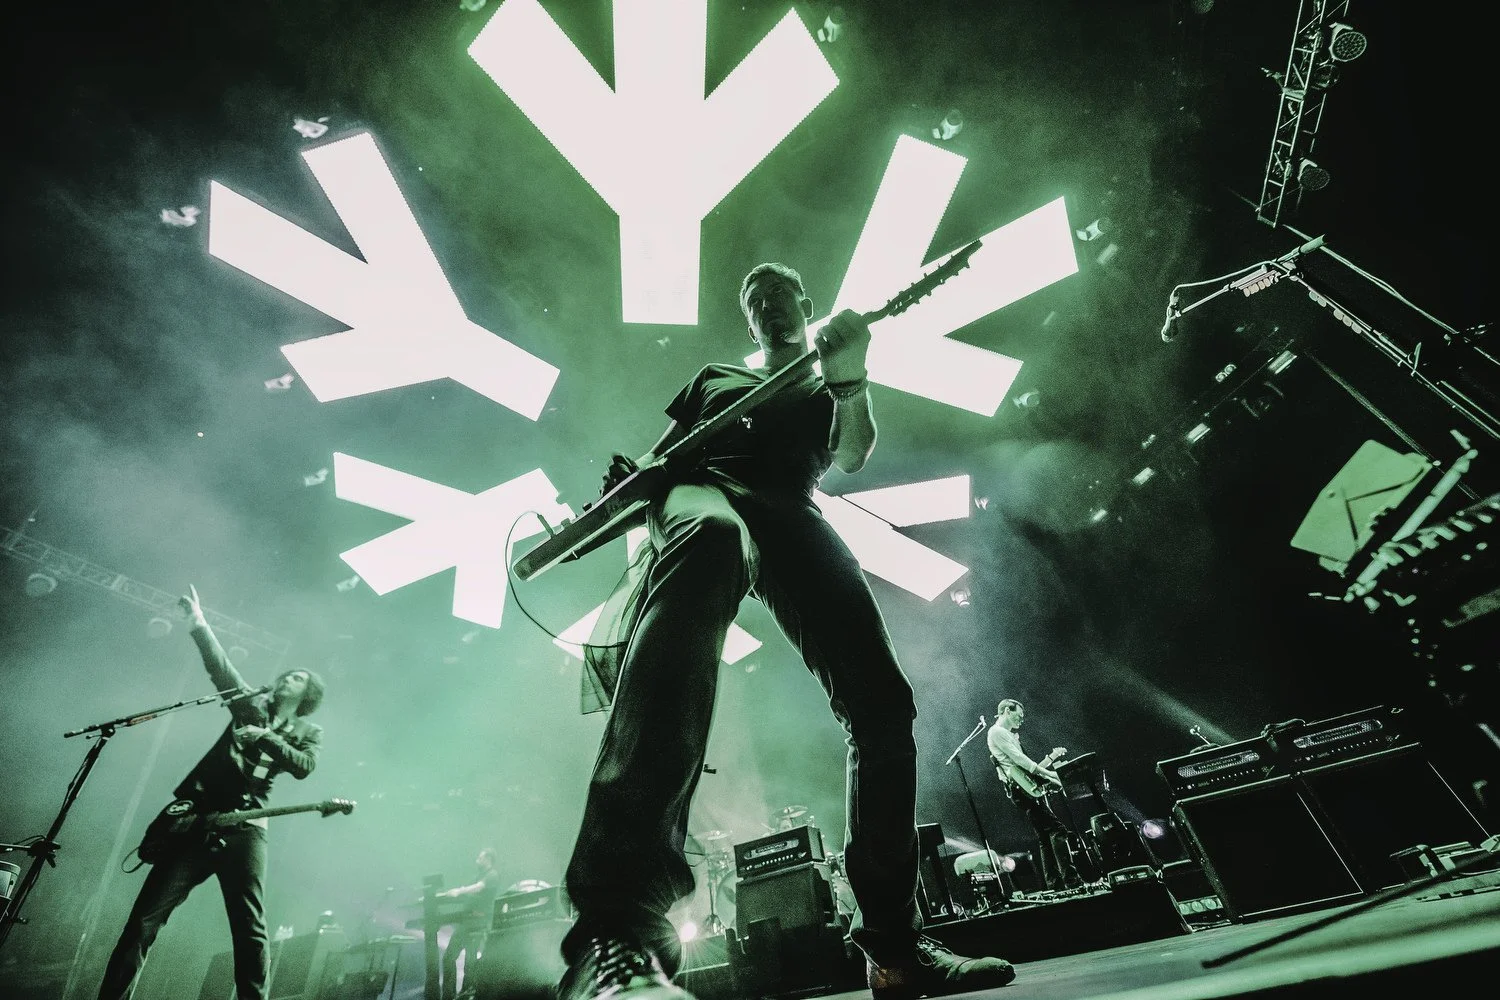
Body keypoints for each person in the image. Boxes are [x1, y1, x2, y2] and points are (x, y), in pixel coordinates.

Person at [555, 263, 1016, 1000]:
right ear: (748, 319)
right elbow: (661, 456)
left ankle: (895, 949)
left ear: (805, 304)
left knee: (882, 706)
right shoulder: (715, 378)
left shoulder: (827, 374)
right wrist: (626, 480)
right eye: (755, 298)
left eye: (779, 295)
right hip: (705, 492)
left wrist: (851, 377)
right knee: (710, 539)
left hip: (789, 505)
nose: (769, 305)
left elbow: (851, 453)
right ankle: (617, 934)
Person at [97, 586, 325, 1000]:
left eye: (297, 678)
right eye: (286, 673)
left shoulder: (309, 731)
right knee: (143, 921)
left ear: (307, 695)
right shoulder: (250, 705)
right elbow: (221, 670)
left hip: (247, 828)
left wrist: (266, 738)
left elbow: (305, 767)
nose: (286, 678)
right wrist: (198, 622)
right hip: (198, 820)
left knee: (249, 927)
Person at [986, 699, 1082, 895]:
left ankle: (1055, 884)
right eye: (1018, 715)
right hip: (1021, 791)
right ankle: (1071, 880)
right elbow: (1020, 760)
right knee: (1057, 830)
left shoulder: (1006, 734)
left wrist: (1050, 761)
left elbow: (1027, 770)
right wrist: (1052, 775)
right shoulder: (996, 732)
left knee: (1045, 837)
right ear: (1006, 711)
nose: (1022, 719)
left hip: (1024, 790)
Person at [435, 847, 503, 1000]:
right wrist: (445, 894)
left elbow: (478, 887)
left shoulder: (492, 875)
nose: (477, 861)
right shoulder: (478, 876)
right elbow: (466, 888)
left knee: (470, 962)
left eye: (480, 858)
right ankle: (450, 996)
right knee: (449, 958)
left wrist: (460, 891)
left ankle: (466, 994)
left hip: (477, 924)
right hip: (467, 923)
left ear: (488, 859)